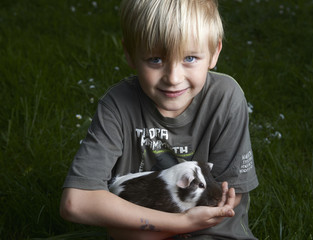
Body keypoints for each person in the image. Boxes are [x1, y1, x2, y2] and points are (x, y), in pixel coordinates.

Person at [60, 0, 259, 239]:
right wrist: (180, 223)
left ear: (215, 52)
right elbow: (75, 202)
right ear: (130, 54)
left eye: (190, 58)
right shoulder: (117, 105)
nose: (173, 78)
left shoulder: (226, 98)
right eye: (156, 60)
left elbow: (230, 195)